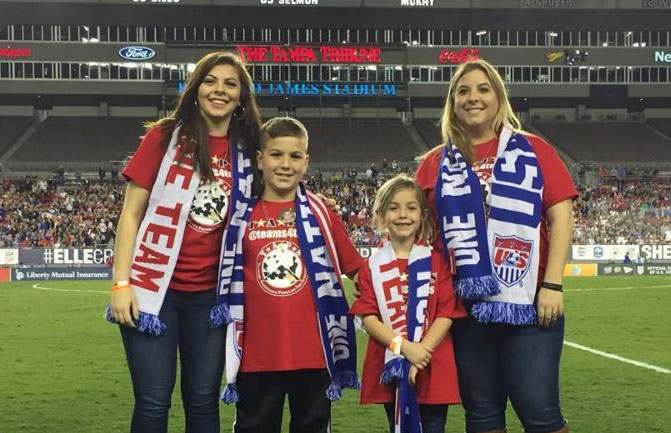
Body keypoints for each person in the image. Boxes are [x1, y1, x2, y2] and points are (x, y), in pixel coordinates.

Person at [415, 59, 577, 433]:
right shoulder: (435, 163)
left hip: (530, 303)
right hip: (464, 308)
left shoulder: (534, 150)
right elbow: (420, 230)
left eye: (483, 89)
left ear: (499, 98)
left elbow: (561, 217)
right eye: (463, 91)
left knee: (540, 414)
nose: (473, 97)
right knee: (482, 415)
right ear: (453, 102)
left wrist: (553, 284)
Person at [106, 50, 262, 433]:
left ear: (241, 96)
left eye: (230, 84)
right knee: (153, 402)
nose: (219, 90)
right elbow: (131, 214)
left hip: (211, 298)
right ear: (195, 89)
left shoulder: (249, 148)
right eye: (210, 81)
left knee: (203, 402)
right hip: (152, 291)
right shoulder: (164, 137)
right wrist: (121, 283)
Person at [231, 116, 362, 433]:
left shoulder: (321, 214)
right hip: (256, 357)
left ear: (306, 162)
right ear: (260, 159)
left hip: (314, 354)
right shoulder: (240, 216)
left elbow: (357, 269)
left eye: (295, 156)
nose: (285, 164)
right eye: (276, 154)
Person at [350, 174, 466, 433]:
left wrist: (420, 352)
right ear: (381, 216)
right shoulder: (371, 266)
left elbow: (446, 313)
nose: (403, 215)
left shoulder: (438, 261)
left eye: (411, 208)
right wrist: (403, 348)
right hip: (391, 365)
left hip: (431, 364)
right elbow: (369, 319)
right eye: (394, 208)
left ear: (422, 215)